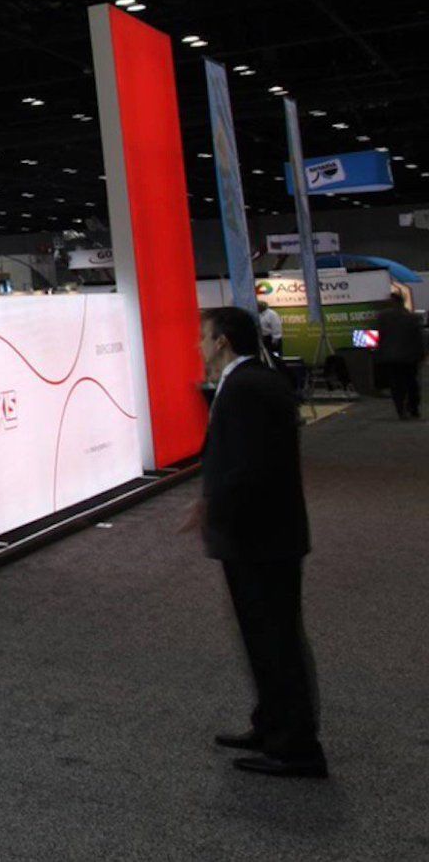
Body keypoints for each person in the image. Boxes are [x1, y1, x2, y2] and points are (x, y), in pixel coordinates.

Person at [183, 305, 325, 778]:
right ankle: (272, 725)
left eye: (203, 336)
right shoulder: (253, 381)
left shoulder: (247, 388)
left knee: (275, 641)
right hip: (264, 534)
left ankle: (296, 747)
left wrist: (215, 507)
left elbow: (250, 466)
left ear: (222, 341)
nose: (199, 345)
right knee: (266, 638)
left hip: (260, 537)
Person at [371, 293, 424, 420]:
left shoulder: (382, 317)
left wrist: (375, 353)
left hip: (390, 357)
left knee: (396, 384)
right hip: (410, 357)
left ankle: (400, 410)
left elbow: (375, 335)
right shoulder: (412, 317)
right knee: (411, 382)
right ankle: (413, 409)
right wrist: (421, 355)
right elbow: (419, 338)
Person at [257, 300, 285, 366]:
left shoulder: (272, 314)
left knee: (275, 357)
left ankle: (278, 369)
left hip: (272, 339)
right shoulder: (259, 314)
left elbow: (276, 327)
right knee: (266, 357)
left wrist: (275, 340)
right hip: (263, 338)